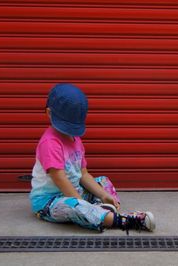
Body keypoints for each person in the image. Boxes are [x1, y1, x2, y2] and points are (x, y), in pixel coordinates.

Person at [29, 83, 155, 234]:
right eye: (66, 126)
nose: (69, 132)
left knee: (103, 182)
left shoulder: (75, 139)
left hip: (75, 191)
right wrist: (83, 204)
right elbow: (60, 179)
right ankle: (125, 221)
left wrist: (103, 195)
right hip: (50, 202)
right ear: (49, 113)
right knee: (75, 206)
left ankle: (103, 209)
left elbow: (83, 174)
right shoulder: (50, 143)